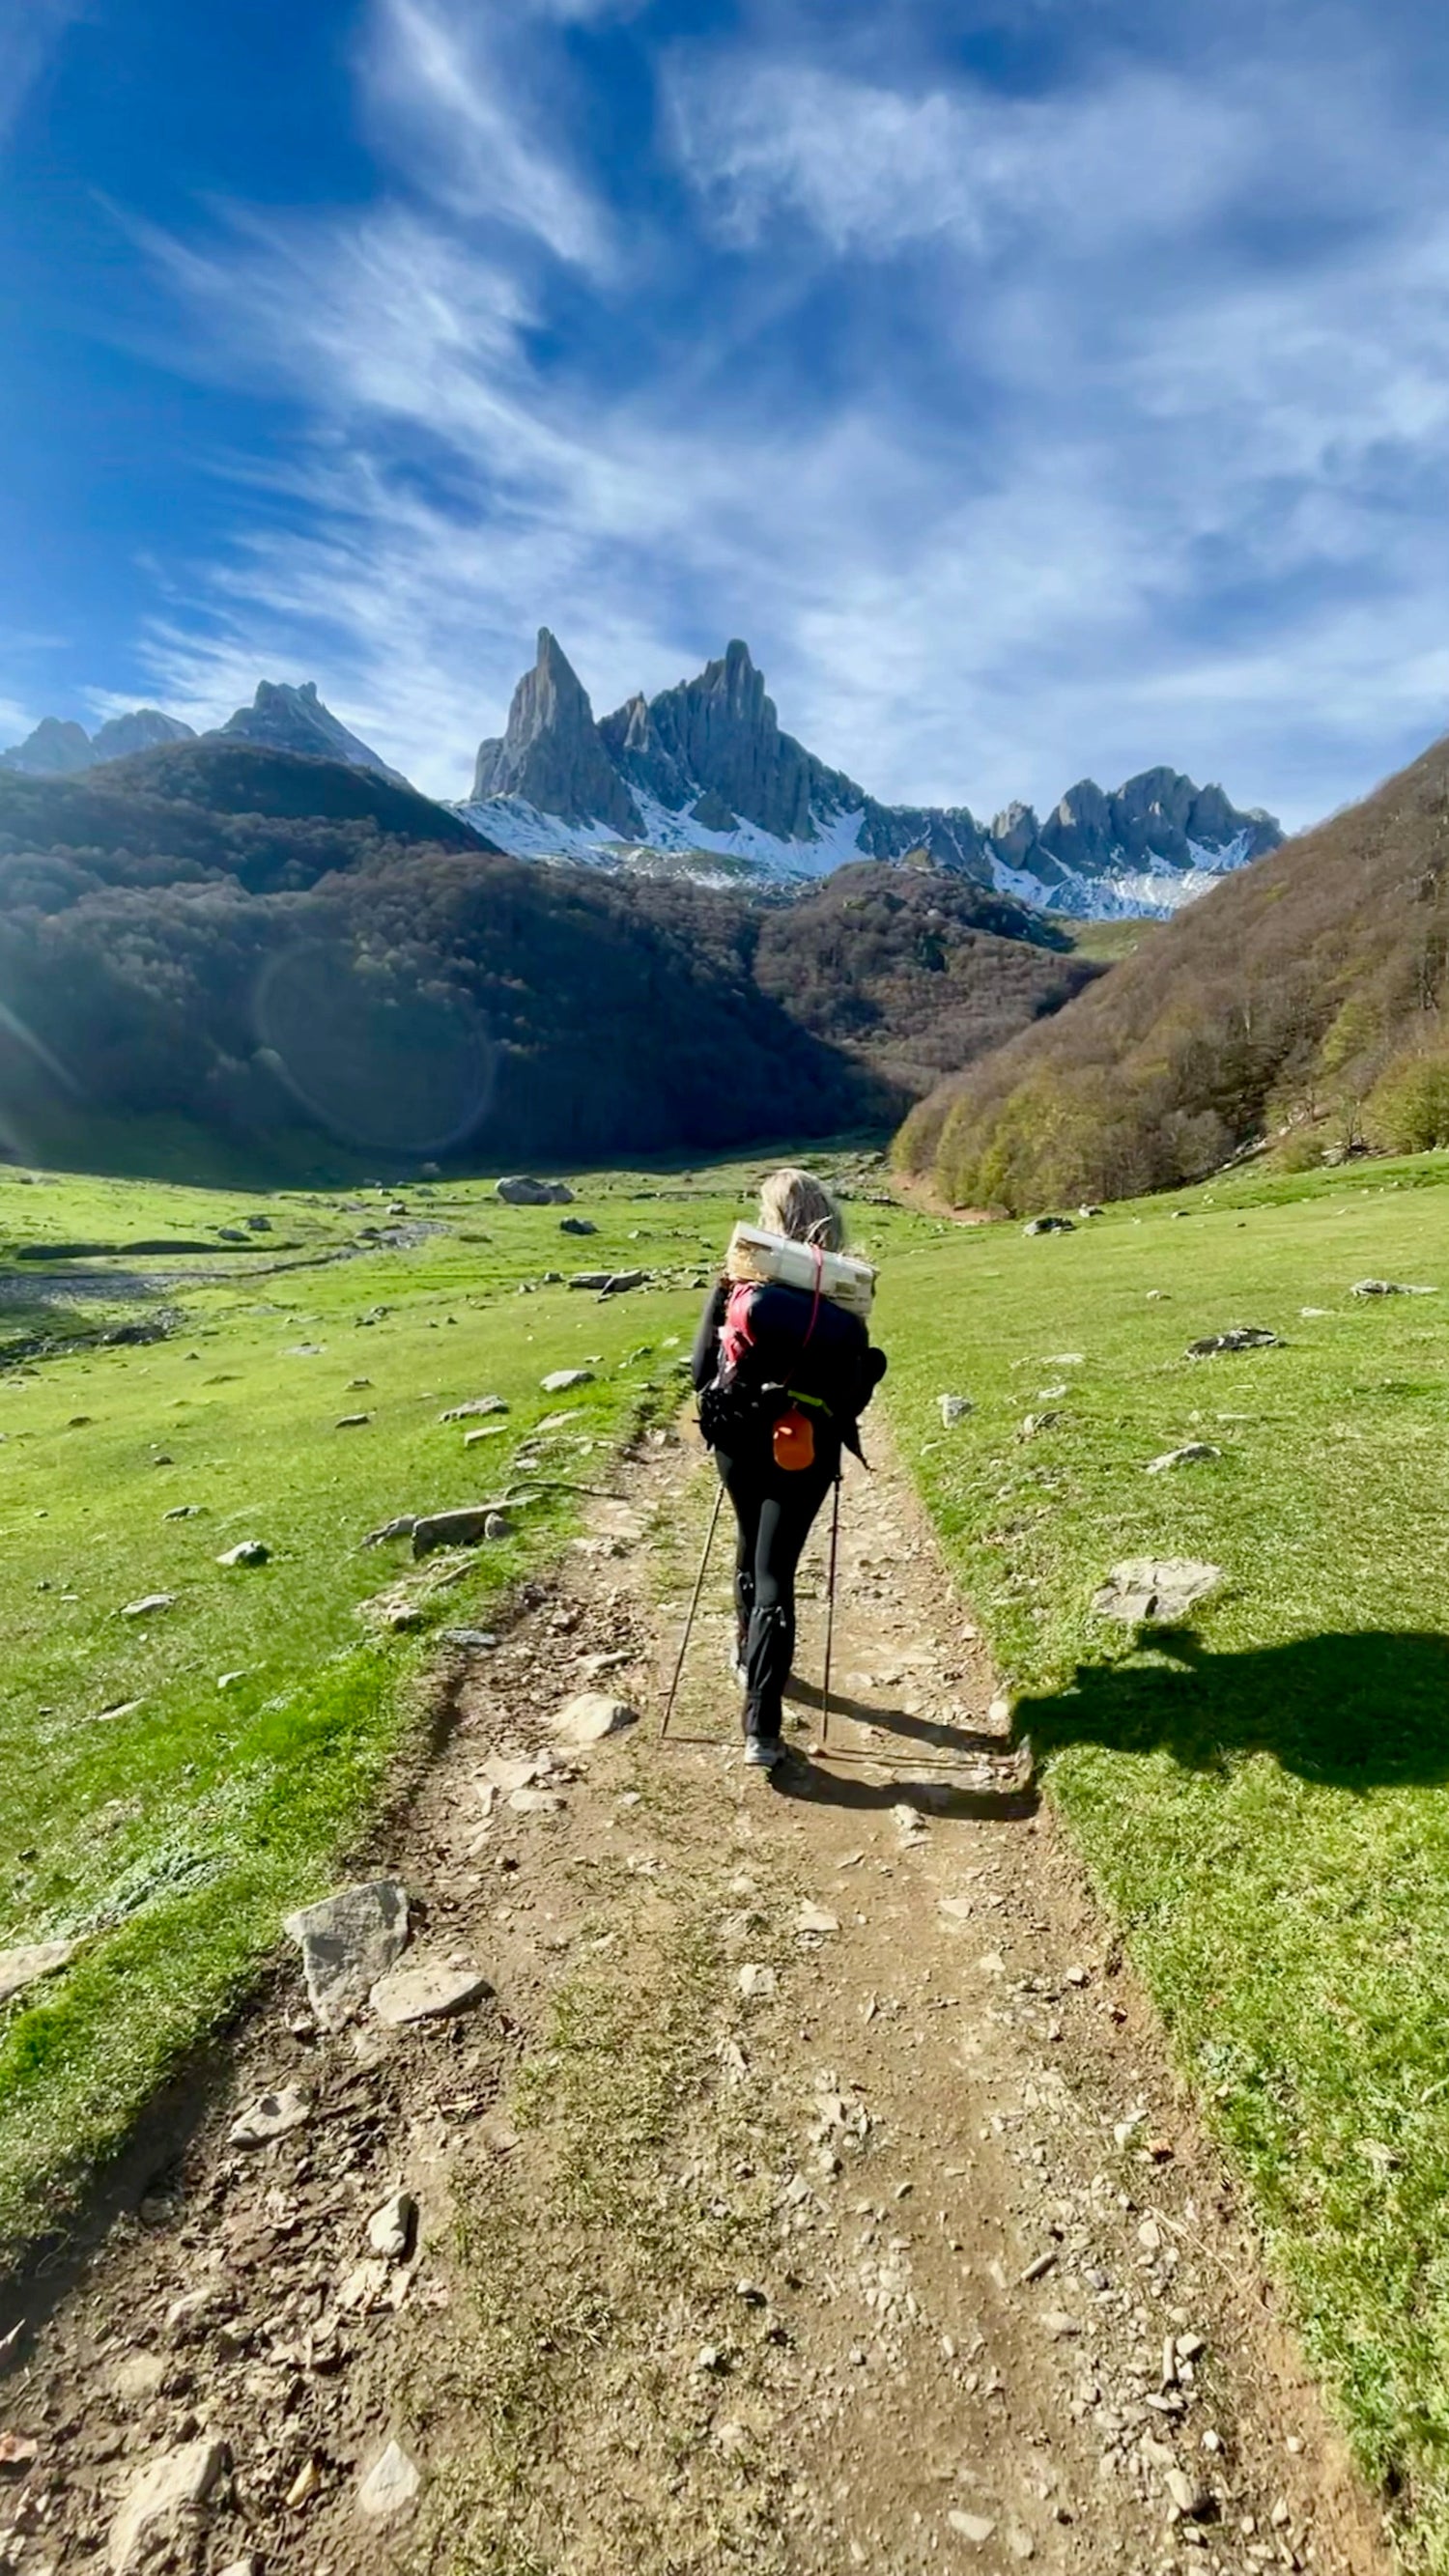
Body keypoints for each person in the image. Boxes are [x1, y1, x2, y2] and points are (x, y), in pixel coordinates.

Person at [692, 1167, 887, 1769]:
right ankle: (762, 1728)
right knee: (777, 1568)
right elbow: (852, 1394)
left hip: (739, 1438)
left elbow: (700, 1372)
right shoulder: (844, 1292)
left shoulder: (740, 1279)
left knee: (748, 1541)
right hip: (808, 1446)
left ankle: (745, 1652)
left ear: (768, 1219)